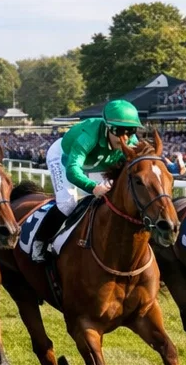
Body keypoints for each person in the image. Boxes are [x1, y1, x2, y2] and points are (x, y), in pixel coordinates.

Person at [31, 100, 142, 262]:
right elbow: (72, 170)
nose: (124, 138)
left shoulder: (130, 143)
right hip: (64, 158)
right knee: (68, 204)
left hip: (96, 163)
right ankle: (39, 243)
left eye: (131, 131)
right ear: (108, 127)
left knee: (111, 201)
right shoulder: (88, 136)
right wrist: (93, 187)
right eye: (119, 131)